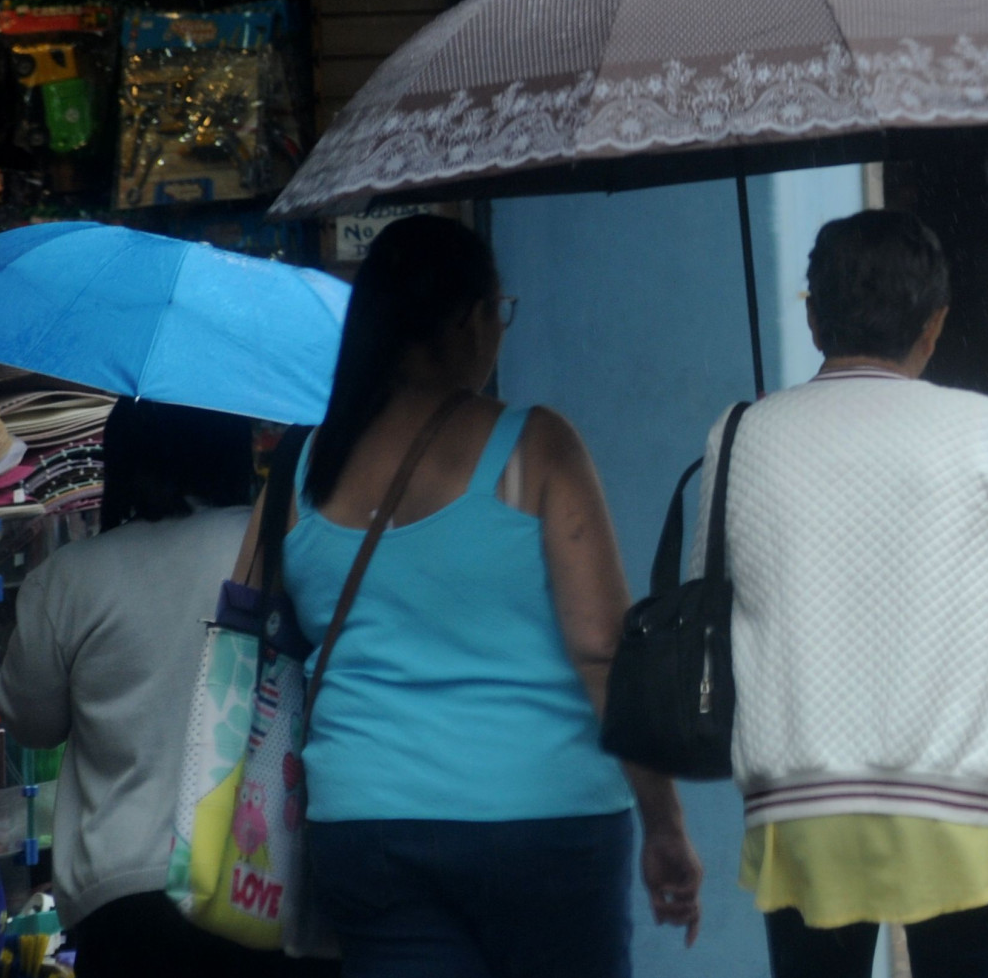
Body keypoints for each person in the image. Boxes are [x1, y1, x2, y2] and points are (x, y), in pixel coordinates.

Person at [695, 209, 988, 978]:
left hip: (803, 809)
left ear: (812, 315)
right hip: (962, 811)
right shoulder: (985, 431)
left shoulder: (742, 433)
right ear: (934, 324)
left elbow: (714, 610)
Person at [254, 216, 701, 978]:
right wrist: (663, 820)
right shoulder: (534, 445)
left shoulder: (302, 467)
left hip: (366, 820)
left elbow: (253, 621)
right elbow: (601, 649)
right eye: (501, 310)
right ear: (469, 320)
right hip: (544, 820)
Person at [0, 399, 334, 978]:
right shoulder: (279, 552)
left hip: (124, 895)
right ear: (231, 448)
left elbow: (32, 723)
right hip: (261, 877)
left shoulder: (69, 577)